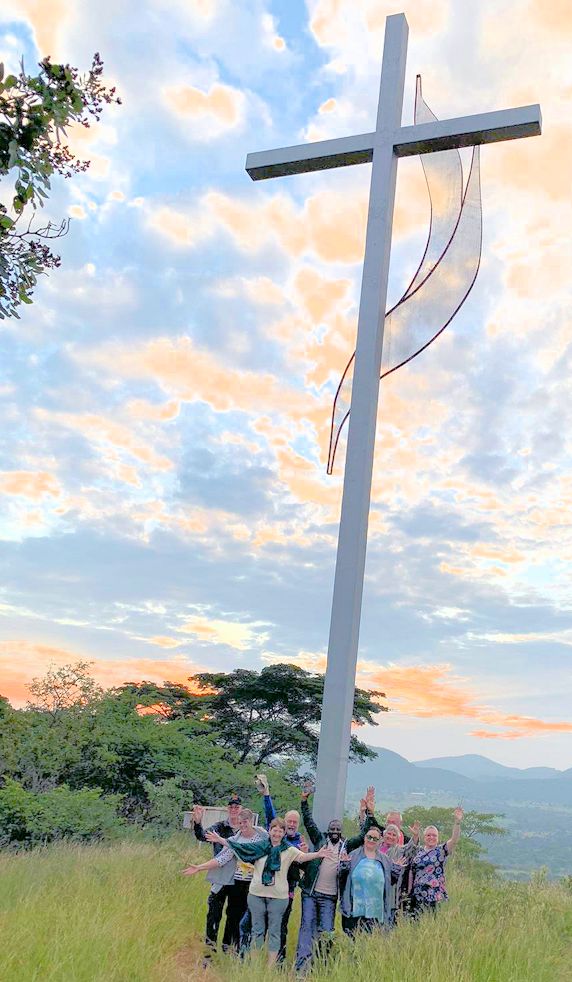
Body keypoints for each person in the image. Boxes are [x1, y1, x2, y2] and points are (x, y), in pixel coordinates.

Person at [184, 817, 330, 966]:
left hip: (278, 897)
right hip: (256, 895)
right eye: (274, 830)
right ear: (270, 831)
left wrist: (318, 854)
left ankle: (270, 966)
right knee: (256, 930)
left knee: (274, 931)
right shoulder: (259, 846)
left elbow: (303, 857)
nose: (277, 834)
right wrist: (219, 841)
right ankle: (254, 964)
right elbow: (238, 846)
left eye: (280, 831)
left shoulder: (289, 850)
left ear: (284, 833)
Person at [294, 784, 376, 974]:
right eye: (332, 829)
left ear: (341, 832)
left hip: (330, 898)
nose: (334, 832)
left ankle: (321, 967)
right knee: (307, 929)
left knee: (327, 933)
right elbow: (308, 821)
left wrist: (369, 812)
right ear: (328, 830)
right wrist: (304, 800)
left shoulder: (346, 846)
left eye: (337, 829)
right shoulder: (320, 840)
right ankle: (301, 970)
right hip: (310, 893)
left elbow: (364, 834)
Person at [183, 808, 268, 951]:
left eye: (245, 822)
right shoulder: (234, 838)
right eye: (240, 823)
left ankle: (237, 948)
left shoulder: (262, 837)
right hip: (236, 881)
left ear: (251, 821)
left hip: (254, 884)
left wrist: (222, 840)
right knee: (232, 915)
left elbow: (248, 850)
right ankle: (222, 948)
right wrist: (199, 867)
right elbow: (221, 858)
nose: (243, 826)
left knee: (244, 919)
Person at [255, 773, 306, 962]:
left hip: (286, 892)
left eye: (295, 822)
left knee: (281, 927)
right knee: (258, 925)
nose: (291, 824)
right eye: (289, 821)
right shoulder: (279, 837)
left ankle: (279, 962)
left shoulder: (300, 843)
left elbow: (305, 866)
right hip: (264, 889)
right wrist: (266, 794)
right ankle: (251, 958)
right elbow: (270, 816)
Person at [190, 795, 242, 957]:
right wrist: (198, 822)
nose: (234, 809)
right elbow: (202, 836)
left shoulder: (246, 828)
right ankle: (209, 953)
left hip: (239, 879)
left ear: (240, 809)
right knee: (213, 914)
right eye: (231, 807)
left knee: (234, 917)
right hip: (220, 877)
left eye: (236, 807)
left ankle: (229, 951)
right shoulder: (220, 827)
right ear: (228, 809)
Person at [339, 824, 406, 936]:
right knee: (353, 940)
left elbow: (391, 883)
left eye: (375, 838)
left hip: (376, 910)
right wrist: (344, 865)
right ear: (364, 838)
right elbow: (342, 879)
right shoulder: (353, 855)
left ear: (380, 841)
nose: (371, 840)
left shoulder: (385, 860)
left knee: (372, 941)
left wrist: (396, 870)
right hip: (354, 909)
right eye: (369, 837)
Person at [409, 807, 464, 915]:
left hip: (435, 896)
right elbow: (412, 872)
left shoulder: (441, 850)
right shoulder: (418, 851)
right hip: (417, 895)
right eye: (428, 835)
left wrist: (457, 823)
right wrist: (410, 891)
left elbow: (454, 840)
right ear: (424, 837)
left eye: (434, 835)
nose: (431, 837)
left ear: (438, 838)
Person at [379, 822, 419, 924]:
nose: (390, 837)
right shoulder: (376, 849)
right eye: (389, 833)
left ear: (398, 839)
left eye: (394, 835)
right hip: (375, 891)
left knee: (388, 923)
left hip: (391, 893)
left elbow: (410, 848)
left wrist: (415, 836)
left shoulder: (400, 851)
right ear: (384, 835)